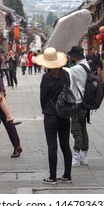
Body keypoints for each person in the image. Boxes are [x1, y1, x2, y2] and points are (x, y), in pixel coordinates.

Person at [35, 47, 73, 185]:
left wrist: (47, 110)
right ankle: (67, 175)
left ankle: (52, 177)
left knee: (52, 147)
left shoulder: (46, 77)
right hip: (65, 114)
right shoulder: (66, 75)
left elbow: (43, 98)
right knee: (65, 145)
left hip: (51, 116)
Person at [65, 46, 90, 167]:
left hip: (77, 102)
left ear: (75, 56)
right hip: (85, 102)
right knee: (83, 128)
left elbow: (67, 76)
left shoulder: (76, 69)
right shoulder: (86, 65)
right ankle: (84, 155)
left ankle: (76, 155)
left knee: (76, 129)